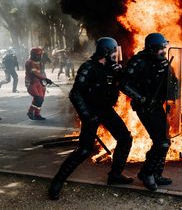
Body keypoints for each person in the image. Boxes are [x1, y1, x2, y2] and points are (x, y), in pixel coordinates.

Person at [48, 37, 133, 200]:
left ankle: (115, 175)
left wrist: (120, 73)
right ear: (106, 52)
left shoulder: (111, 68)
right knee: (84, 150)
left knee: (125, 139)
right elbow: (75, 93)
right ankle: (57, 182)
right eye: (114, 51)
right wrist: (87, 115)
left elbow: (122, 85)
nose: (116, 54)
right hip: (91, 112)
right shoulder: (88, 67)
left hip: (106, 110)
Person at [121, 33, 173, 191]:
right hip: (145, 107)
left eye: (164, 47)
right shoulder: (138, 61)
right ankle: (147, 173)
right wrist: (142, 98)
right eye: (161, 48)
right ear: (152, 48)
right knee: (161, 142)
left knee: (165, 140)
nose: (164, 51)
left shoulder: (162, 61)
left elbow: (169, 82)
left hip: (157, 105)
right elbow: (124, 84)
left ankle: (156, 173)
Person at [25, 47, 53, 120]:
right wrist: (45, 79)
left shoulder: (39, 63)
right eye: (38, 55)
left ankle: (37, 114)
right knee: (38, 99)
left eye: (40, 55)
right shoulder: (29, 62)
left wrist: (44, 81)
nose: (39, 57)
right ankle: (30, 111)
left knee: (41, 99)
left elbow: (41, 72)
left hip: (39, 83)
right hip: (32, 83)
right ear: (33, 55)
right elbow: (35, 73)